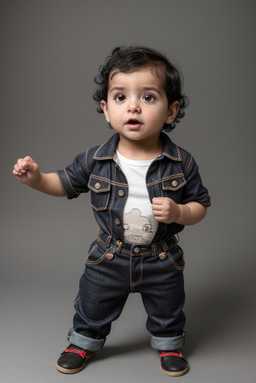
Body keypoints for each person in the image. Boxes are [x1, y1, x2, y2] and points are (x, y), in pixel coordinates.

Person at [13, 46, 211, 377]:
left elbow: (200, 207)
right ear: (106, 110)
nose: (133, 106)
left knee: (168, 307)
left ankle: (169, 343)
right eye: (121, 97)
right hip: (109, 256)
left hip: (161, 259)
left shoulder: (182, 162)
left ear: (171, 110)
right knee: (93, 303)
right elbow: (61, 183)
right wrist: (35, 179)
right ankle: (83, 341)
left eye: (148, 97)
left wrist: (179, 211)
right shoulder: (95, 160)